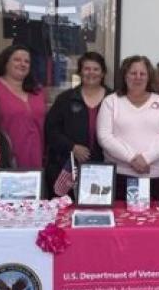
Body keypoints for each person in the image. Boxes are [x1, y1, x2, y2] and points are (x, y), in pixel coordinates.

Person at [97, 55, 159, 200]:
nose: (138, 77)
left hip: (157, 177)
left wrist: (146, 158)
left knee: (157, 222)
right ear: (125, 76)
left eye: (142, 73)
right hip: (119, 176)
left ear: (149, 77)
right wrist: (132, 158)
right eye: (133, 73)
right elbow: (104, 137)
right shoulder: (111, 102)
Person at [44, 51, 110, 189]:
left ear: (103, 73)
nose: (91, 73)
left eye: (96, 69)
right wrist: (72, 147)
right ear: (80, 72)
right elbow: (51, 130)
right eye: (86, 69)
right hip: (69, 167)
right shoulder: (65, 99)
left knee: (100, 207)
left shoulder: (114, 99)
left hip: (105, 166)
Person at [0, 44, 47, 169]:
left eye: (26, 61)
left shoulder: (37, 91)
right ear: (5, 62)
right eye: (17, 59)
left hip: (37, 159)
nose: (22, 64)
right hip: (4, 159)